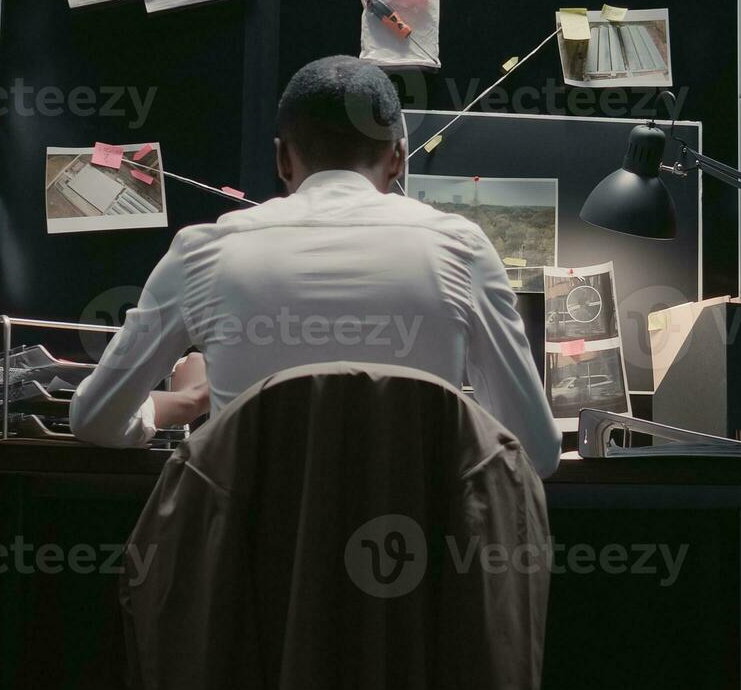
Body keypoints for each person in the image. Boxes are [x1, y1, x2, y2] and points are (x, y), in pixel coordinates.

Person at [70, 55, 560, 477]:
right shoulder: (463, 251)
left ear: (283, 161)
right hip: (417, 575)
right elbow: (537, 451)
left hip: (246, 577)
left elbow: (94, 417)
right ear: (398, 160)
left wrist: (185, 404)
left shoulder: (202, 254)